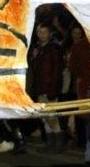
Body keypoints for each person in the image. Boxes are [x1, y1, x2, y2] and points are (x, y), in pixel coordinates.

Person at [26, 21, 65, 150]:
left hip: (49, 87)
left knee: (51, 116)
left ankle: (58, 144)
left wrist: (53, 89)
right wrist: (34, 57)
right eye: (39, 32)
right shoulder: (39, 48)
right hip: (39, 87)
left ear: (49, 34)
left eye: (44, 32)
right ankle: (50, 143)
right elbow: (34, 69)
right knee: (44, 117)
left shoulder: (53, 48)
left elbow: (57, 70)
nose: (41, 35)